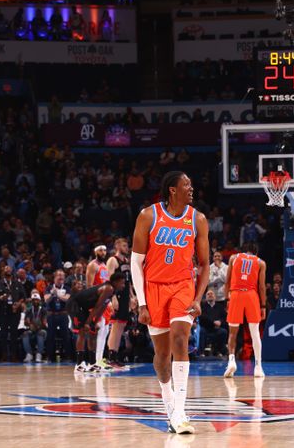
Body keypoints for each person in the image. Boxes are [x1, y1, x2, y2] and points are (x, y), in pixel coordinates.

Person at [131, 171, 210, 435]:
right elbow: (135, 262)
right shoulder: (148, 216)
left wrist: (198, 299)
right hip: (153, 289)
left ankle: (180, 411)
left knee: (180, 339)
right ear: (172, 190)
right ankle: (170, 404)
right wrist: (142, 303)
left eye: (191, 183)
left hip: (183, 287)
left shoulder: (197, 219)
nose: (191, 188)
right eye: (186, 184)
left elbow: (205, 264)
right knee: (162, 356)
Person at [68, 271, 126, 372]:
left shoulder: (112, 291)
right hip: (75, 304)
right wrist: (87, 323)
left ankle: (92, 363)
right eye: (122, 283)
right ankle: (79, 364)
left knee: (93, 332)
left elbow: (103, 307)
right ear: (116, 282)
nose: (123, 285)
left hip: (84, 307)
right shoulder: (109, 288)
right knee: (82, 331)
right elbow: (97, 306)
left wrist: (94, 323)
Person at [223, 246, 266, 378]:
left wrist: (227, 299)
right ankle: (258, 367)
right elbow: (261, 286)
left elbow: (227, 281)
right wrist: (263, 305)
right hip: (251, 296)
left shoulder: (233, 258)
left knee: (232, 333)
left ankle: (231, 361)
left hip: (236, 294)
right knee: (255, 333)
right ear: (255, 252)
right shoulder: (260, 262)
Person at [105, 237, 132, 367]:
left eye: (127, 246)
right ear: (117, 246)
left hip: (126, 295)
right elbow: (109, 280)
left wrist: (132, 297)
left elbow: (129, 282)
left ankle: (115, 356)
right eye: (124, 245)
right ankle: (110, 357)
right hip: (117, 295)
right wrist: (113, 297)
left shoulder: (126, 261)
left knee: (121, 326)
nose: (126, 247)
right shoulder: (112, 260)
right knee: (115, 327)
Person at [86, 245, 112, 367]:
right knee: (99, 330)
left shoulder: (105, 266)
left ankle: (100, 359)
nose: (103, 252)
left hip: (106, 302)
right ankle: (95, 361)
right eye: (101, 250)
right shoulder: (92, 265)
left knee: (105, 331)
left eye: (105, 250)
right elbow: (89, 286)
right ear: (95, 251)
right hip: (97, 302)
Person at [198, 289, 227, 356]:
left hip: (217, 328)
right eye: (208, 294)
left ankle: (219, 351)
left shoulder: (220, 307)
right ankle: (201, 352)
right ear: (205, 297)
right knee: (201, 331)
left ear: (215, 297)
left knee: (223, 332)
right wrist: (213, 322)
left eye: (212, 294)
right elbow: (202, 317)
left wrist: (220, 322)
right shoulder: (203, 306)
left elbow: (224, 317)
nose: (210, 295)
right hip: (206, 328)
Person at [22, 291, 46, 363]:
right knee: (25, 334)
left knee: (41, 333)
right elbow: (26, 322)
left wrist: (38, 326)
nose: (35, 301)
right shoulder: (29, 310)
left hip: (41, 329)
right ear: (31, 301)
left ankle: (39, 354)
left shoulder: (43, 310)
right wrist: (28, 324)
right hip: (32, 330)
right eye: (33, 300)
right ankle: (29, 354)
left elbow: (45, 323)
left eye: (37, 300)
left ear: (39, 301)